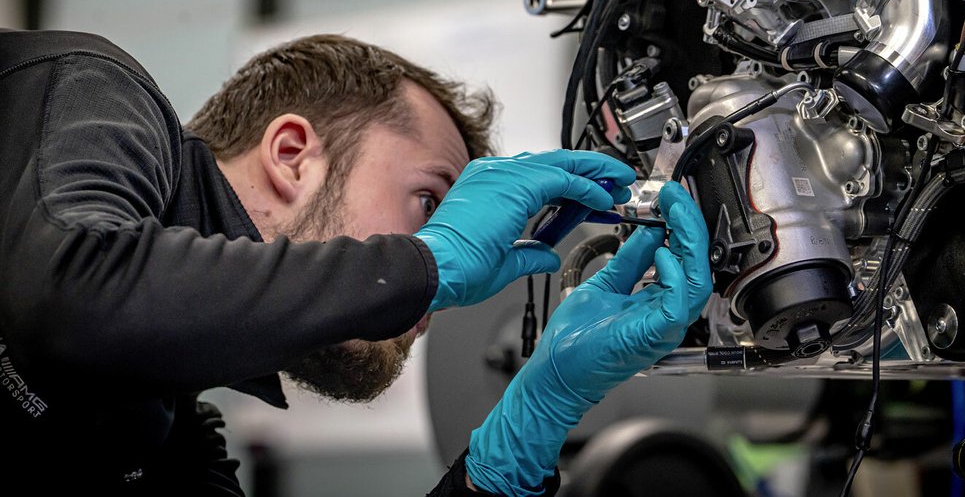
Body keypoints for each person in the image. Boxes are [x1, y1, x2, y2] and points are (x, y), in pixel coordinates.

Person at [0, 27, 711, 496]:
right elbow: (69, 301)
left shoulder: (160, 436)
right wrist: (422, 263)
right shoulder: (85, 89)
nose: (446, 300)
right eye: (430, 202)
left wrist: (532, 417)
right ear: (291, 156)